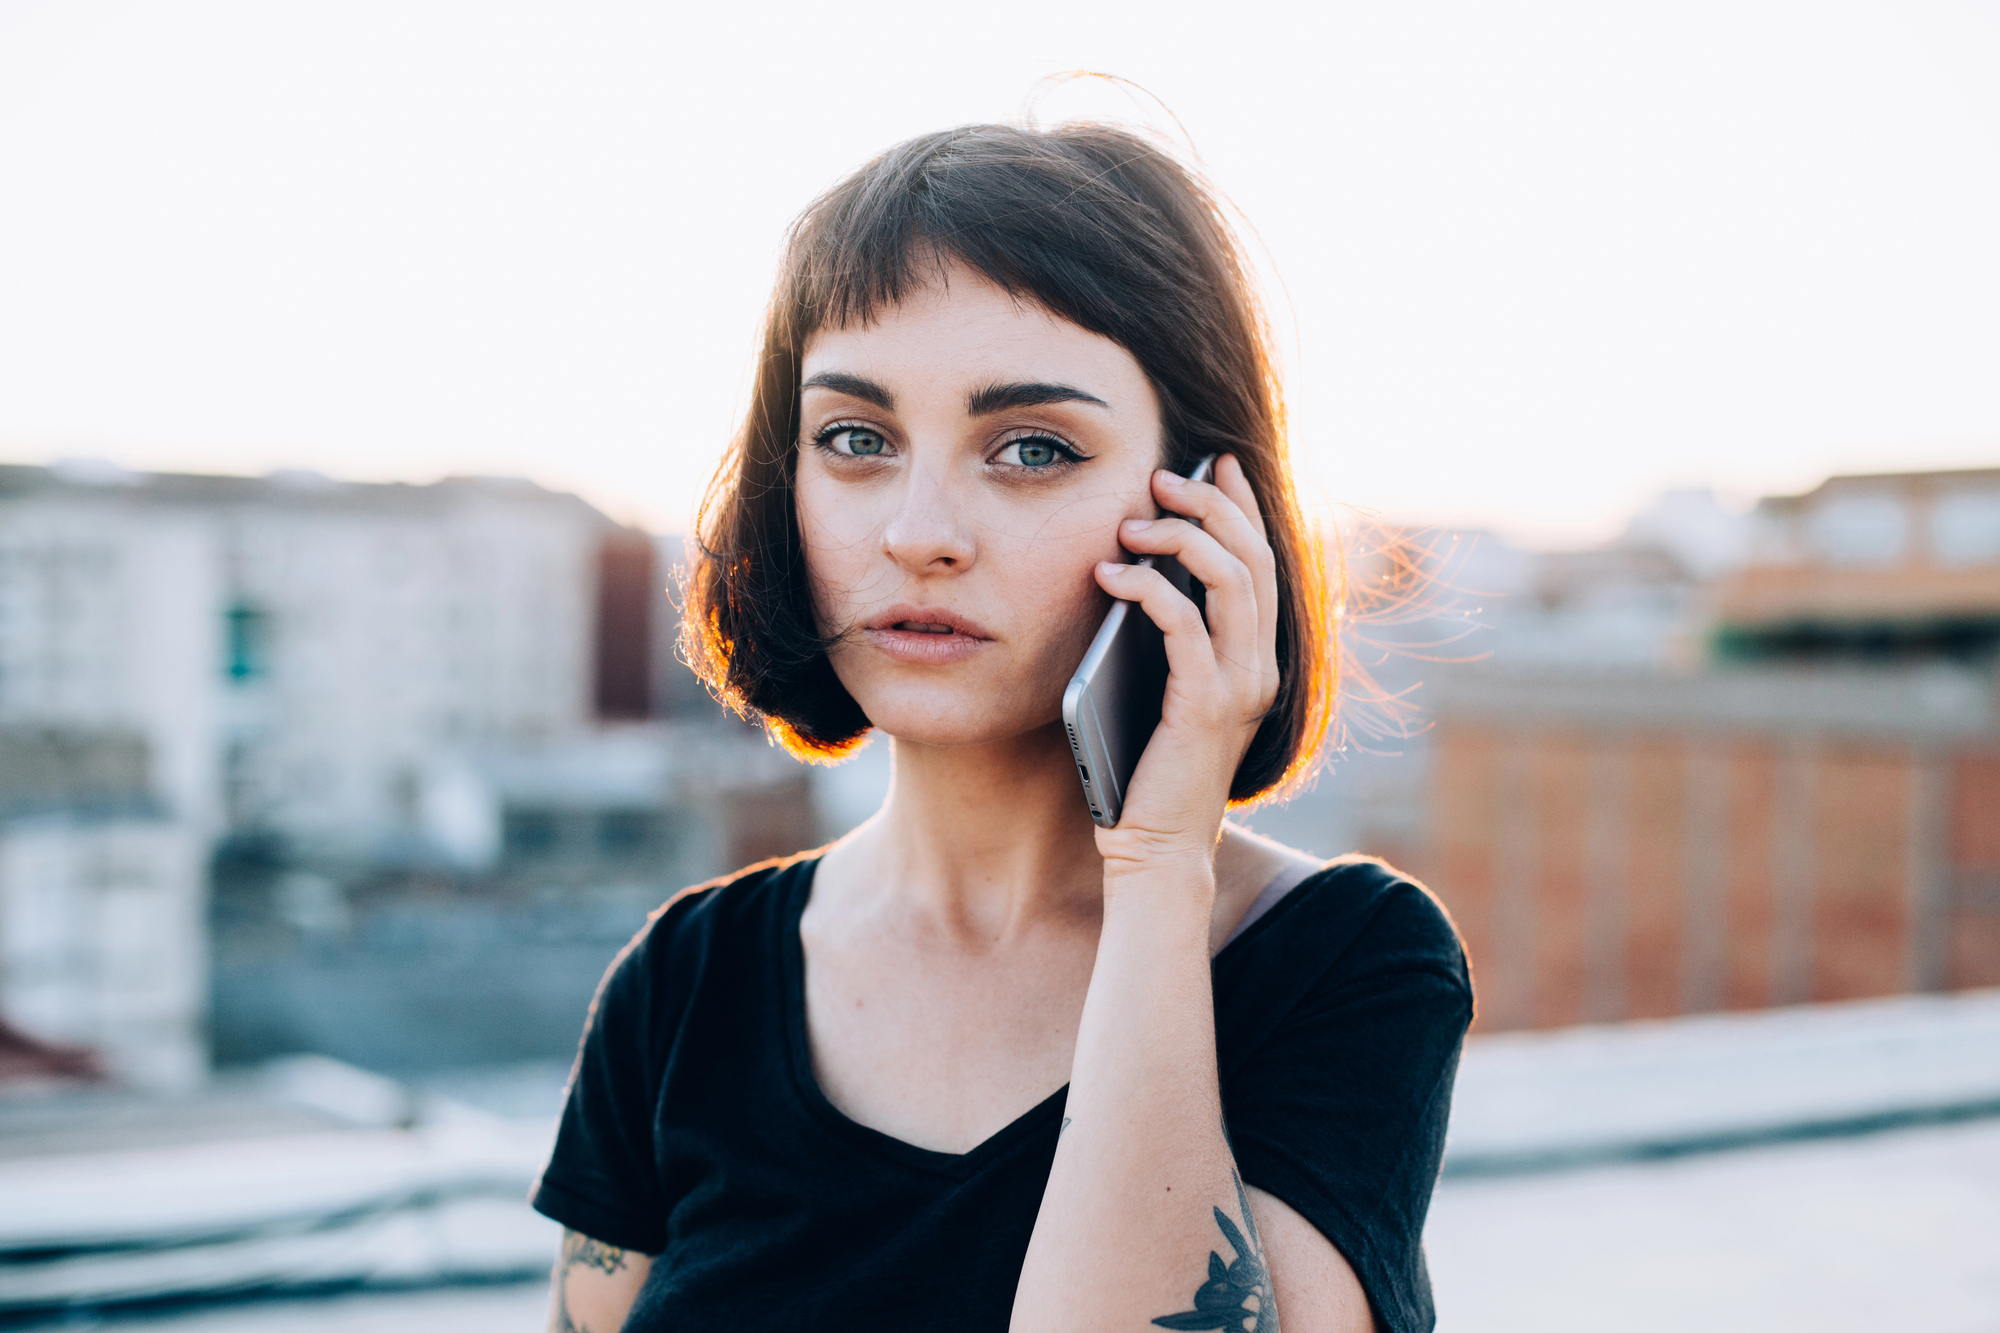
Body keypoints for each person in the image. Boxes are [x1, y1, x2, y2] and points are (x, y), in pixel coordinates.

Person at [530, 121, 1472, 1333]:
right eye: (855, 439)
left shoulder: (1347, 967)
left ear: (1206, 516)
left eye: (1031, 449)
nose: (918, 530)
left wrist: (1154, 867)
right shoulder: (684, 983)